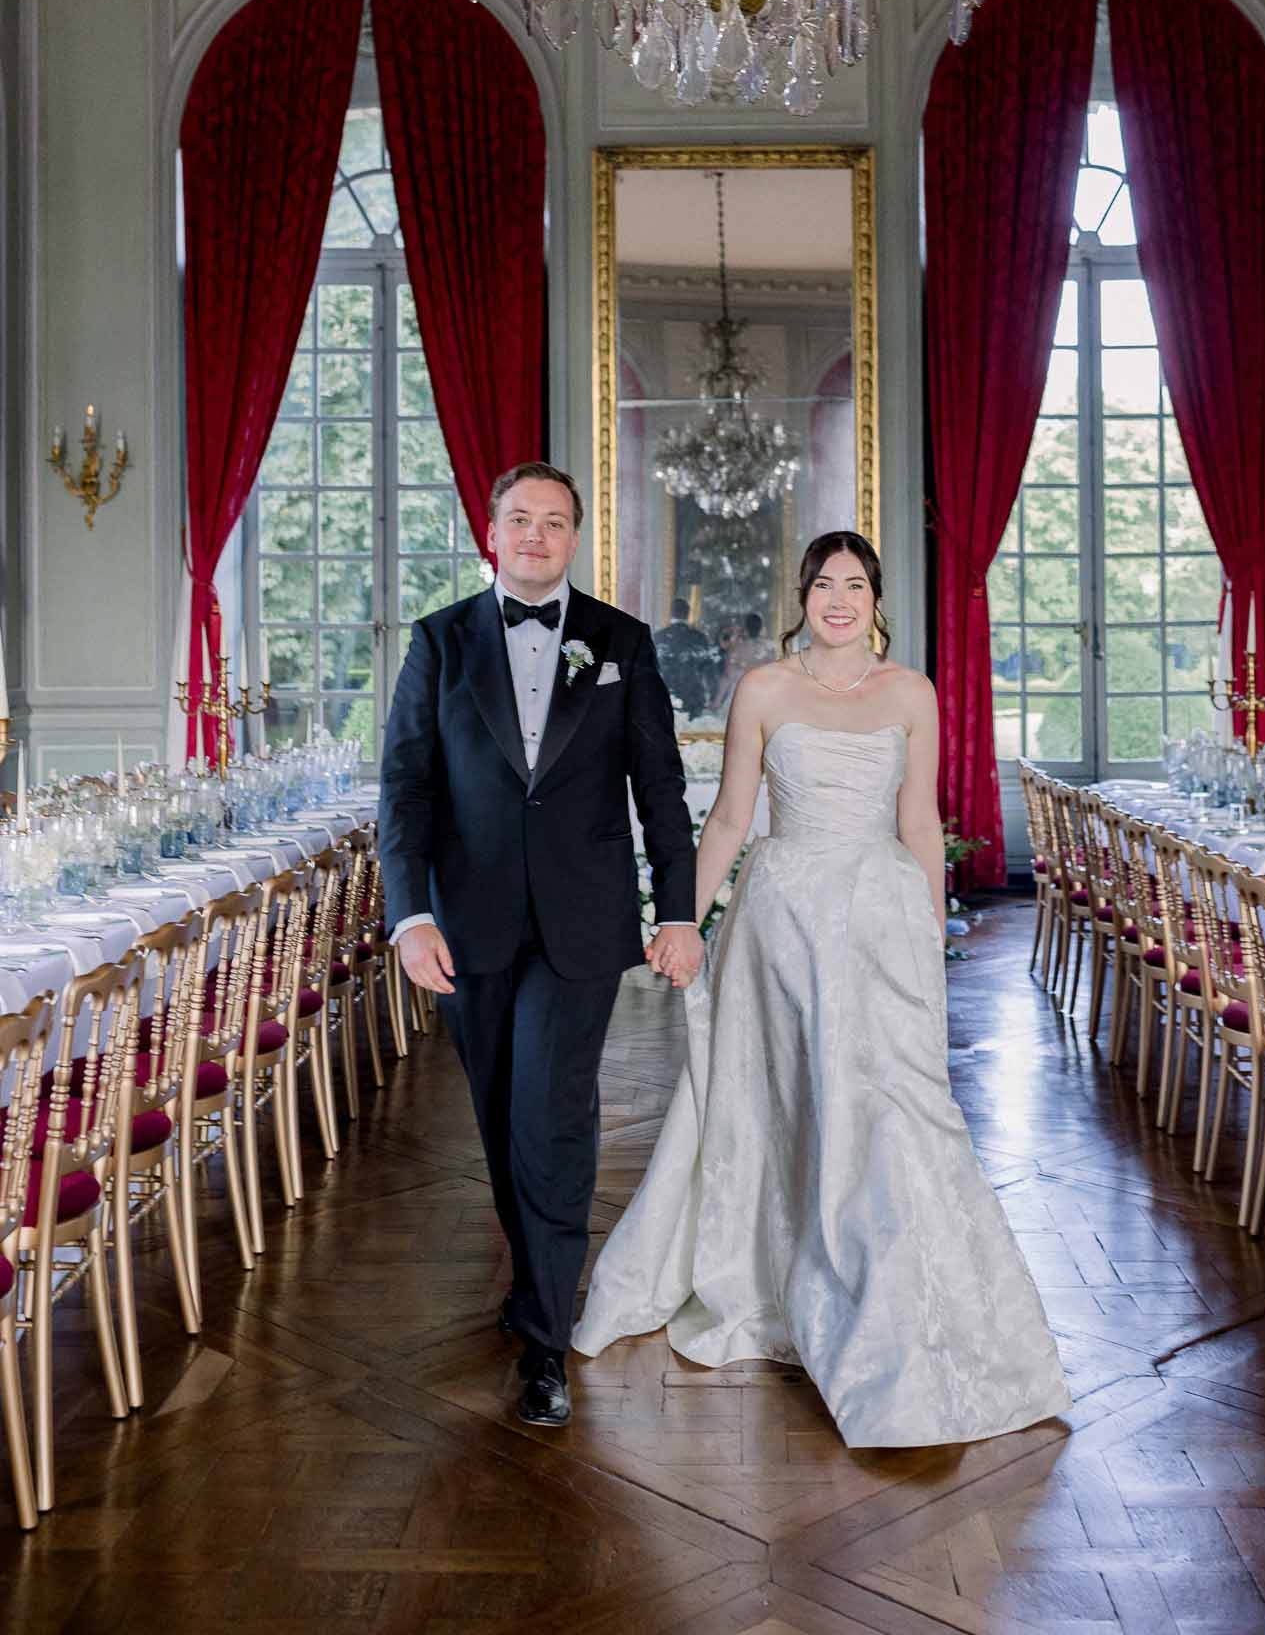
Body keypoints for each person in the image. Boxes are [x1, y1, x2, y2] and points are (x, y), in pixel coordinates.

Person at [574, 530, 1072, 1448]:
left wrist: (929, 938)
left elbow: (920, 824)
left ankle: (891, 1298)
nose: (837, 599)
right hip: (781, 913)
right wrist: (680, 917)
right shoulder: (763, 688)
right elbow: (728, 816)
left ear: (874, 598)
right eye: (822, 584)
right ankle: (781, 1280)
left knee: (894, 1105)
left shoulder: (910, 691)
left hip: (880, 913)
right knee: (785, 1098)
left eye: (854, 584)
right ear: (801, 595)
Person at [380, 462, 700, 1430]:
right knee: (497, 1119)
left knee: (552, 1119)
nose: (535, 535)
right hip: (463, 924)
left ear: (574, 537)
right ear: (491, 530)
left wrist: (677, 909)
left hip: (582, 925)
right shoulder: (438, 640)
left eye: (554, 521)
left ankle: (546, 1336)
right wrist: (409, 913)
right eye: (519, 518)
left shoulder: (620, 641)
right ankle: (535, 1287)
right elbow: (406, 789)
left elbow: (662, 790)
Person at [653, 597, 723, 719]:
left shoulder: (658, 637)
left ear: (671, 613)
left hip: (665, 696)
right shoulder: (699, 638)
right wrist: (714, 695)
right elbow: (709, 670)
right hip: (693, 696)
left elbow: (649, 670)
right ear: (688, 613)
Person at [713, 609, 777, 708]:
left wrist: (716, 702)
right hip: (762, 697)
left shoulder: (737, 648)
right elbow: (773, 677)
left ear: (746, 627)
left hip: (740, 697)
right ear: (761, 628)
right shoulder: (769, 649)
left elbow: (727, 677)